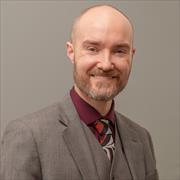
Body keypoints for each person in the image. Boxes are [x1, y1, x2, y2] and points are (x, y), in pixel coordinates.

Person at [0, 4, 159, 180]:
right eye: (92, 49)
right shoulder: (28, 135)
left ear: (131, 55)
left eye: (119, 51)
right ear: (71, 51)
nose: (106, 64)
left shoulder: (141, 139)